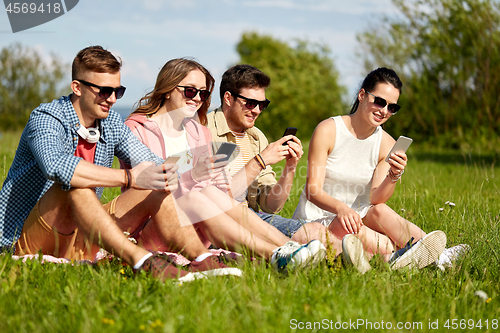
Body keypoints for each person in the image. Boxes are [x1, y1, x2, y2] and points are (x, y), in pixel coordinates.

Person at [0, 46, 242, 282]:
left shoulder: (112, 123)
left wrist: (177, 172)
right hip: (26, 237)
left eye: (118, 91)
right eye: (104, 91)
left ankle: (201, 260)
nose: (113, 99)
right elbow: (57, 166)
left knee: (154, 182)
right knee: (74, 185)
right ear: (77, 87)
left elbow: (153, 163)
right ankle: (142, 261)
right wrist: (129, 178)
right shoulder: (47, 118)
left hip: (82, 234)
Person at [121, 58, 326, 271]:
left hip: (198, 230)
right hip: (152, 225)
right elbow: (148, 186)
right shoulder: (138, 129)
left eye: (203, 93)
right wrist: (195, 176)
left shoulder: (198, 132)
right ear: (167, 89)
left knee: (210, 192)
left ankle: (288, 249)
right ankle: (276, 254)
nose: (198, 98)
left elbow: (223, 197)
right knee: (197, 196)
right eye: (190, 91)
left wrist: (217, 180)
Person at [206, 64, 392, 273]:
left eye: (262, 104)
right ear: (228, 98)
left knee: (314, 231)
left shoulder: (256, 136)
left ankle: (375, 262)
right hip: (221, 218)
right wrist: (260, 161)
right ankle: (372, 263)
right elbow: (215, 198)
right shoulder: (205, 130)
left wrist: (290, 168)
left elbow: (270, 205)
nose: (257, 110)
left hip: (255, 215)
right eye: (250, 103)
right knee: (309, 236)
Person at [293, 67, 468, 270]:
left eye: (392, 107)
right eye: (380, 101)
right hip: (320, 220)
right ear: (361, 95)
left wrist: (393, 176)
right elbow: (313, 191)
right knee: (351, 224)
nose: (384, 111)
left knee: (380, 211)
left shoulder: (386, 143)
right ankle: (407, 254)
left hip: (357, 220)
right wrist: (342, 208)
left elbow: (376, 199)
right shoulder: (329, 130)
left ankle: (430, 255)